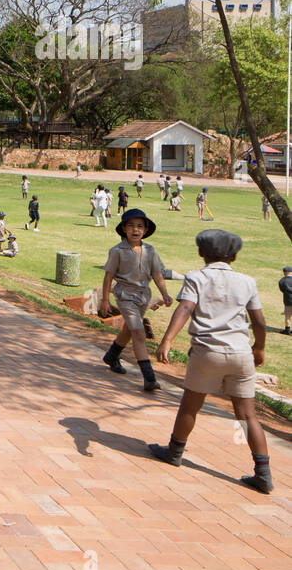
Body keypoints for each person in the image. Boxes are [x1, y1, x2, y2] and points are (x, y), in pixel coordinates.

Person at [150, 229, 272, 494]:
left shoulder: (196, 277)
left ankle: (175, 451)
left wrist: (167, 340)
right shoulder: (247, 281)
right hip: (241, 354)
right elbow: (259, 321)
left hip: (207, 352)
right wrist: (259, 348)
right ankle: (263, 473)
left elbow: (185, 309)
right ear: (235, 256)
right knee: (247, 415)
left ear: (200, 252)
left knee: (190, 407)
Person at [100, 207, 175, 392]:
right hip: (125, 296)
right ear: (124, 228)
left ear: (146, 230)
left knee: (130, 328)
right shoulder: (117, 251)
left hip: (143, 296)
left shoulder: (150, 251)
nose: (136, 230)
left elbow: (157, 274)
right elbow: (108, 276)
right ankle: (149, 377)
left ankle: (112, 355)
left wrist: (164, 293)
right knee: (139, 333)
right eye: (131, 226)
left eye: (140, 226)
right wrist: (104, 300)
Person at [278, 265, 292, 334]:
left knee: (288, 314)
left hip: (288, 299)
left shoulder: (282, 280)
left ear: (284, 272)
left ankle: (287, 329)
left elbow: (282, 289)